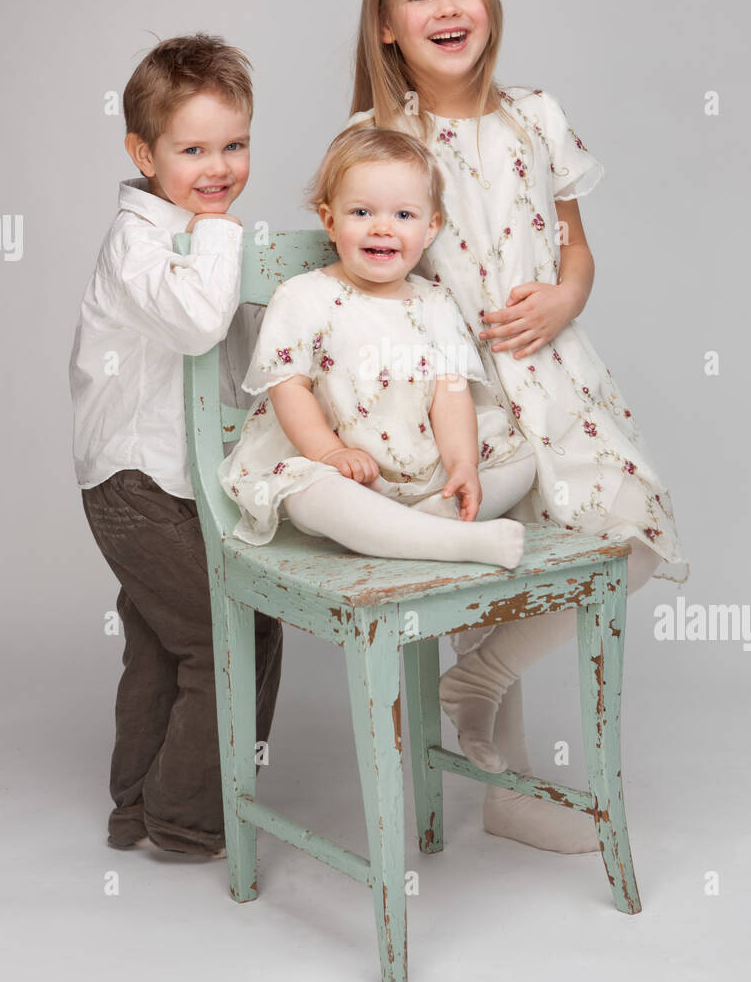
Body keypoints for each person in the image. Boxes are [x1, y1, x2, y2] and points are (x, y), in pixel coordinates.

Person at [338, 0, 691, 852]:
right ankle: (503, 781)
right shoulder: (379, 133)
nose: (447, 9)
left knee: (636, 529)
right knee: (495, 555)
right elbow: (365, 274)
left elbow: (576, 249)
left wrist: (564, 302)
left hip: (549, 367)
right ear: (386, 25)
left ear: (490, 5)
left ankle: (480, 682)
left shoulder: (535, 113)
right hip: (451, 388)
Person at [69, 33, 284, 858]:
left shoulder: (203, 238)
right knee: (235, 632)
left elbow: (242, 355)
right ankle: (190, 817)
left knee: (164, 640)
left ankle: (136, 807)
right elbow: (197, 321)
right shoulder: (143, 241)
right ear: (143, 152)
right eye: (193, 149)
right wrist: (227, 234)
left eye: (235, 145)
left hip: (182, 479)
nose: (218, 167)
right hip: (133, 484)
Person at [218, 126, 538, 616]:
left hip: (424, 467)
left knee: (521, 463)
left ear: (430, 228)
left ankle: (417, 526)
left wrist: (461, 465)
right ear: (330, 220)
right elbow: (289, 387)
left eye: (403, 215)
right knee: (310, 496)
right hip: (341, 469)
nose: (382, 228)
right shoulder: (304, 296)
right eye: (362, 212)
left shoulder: (435, 303)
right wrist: (330, 451)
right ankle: (451, 541)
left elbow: (450, 395)